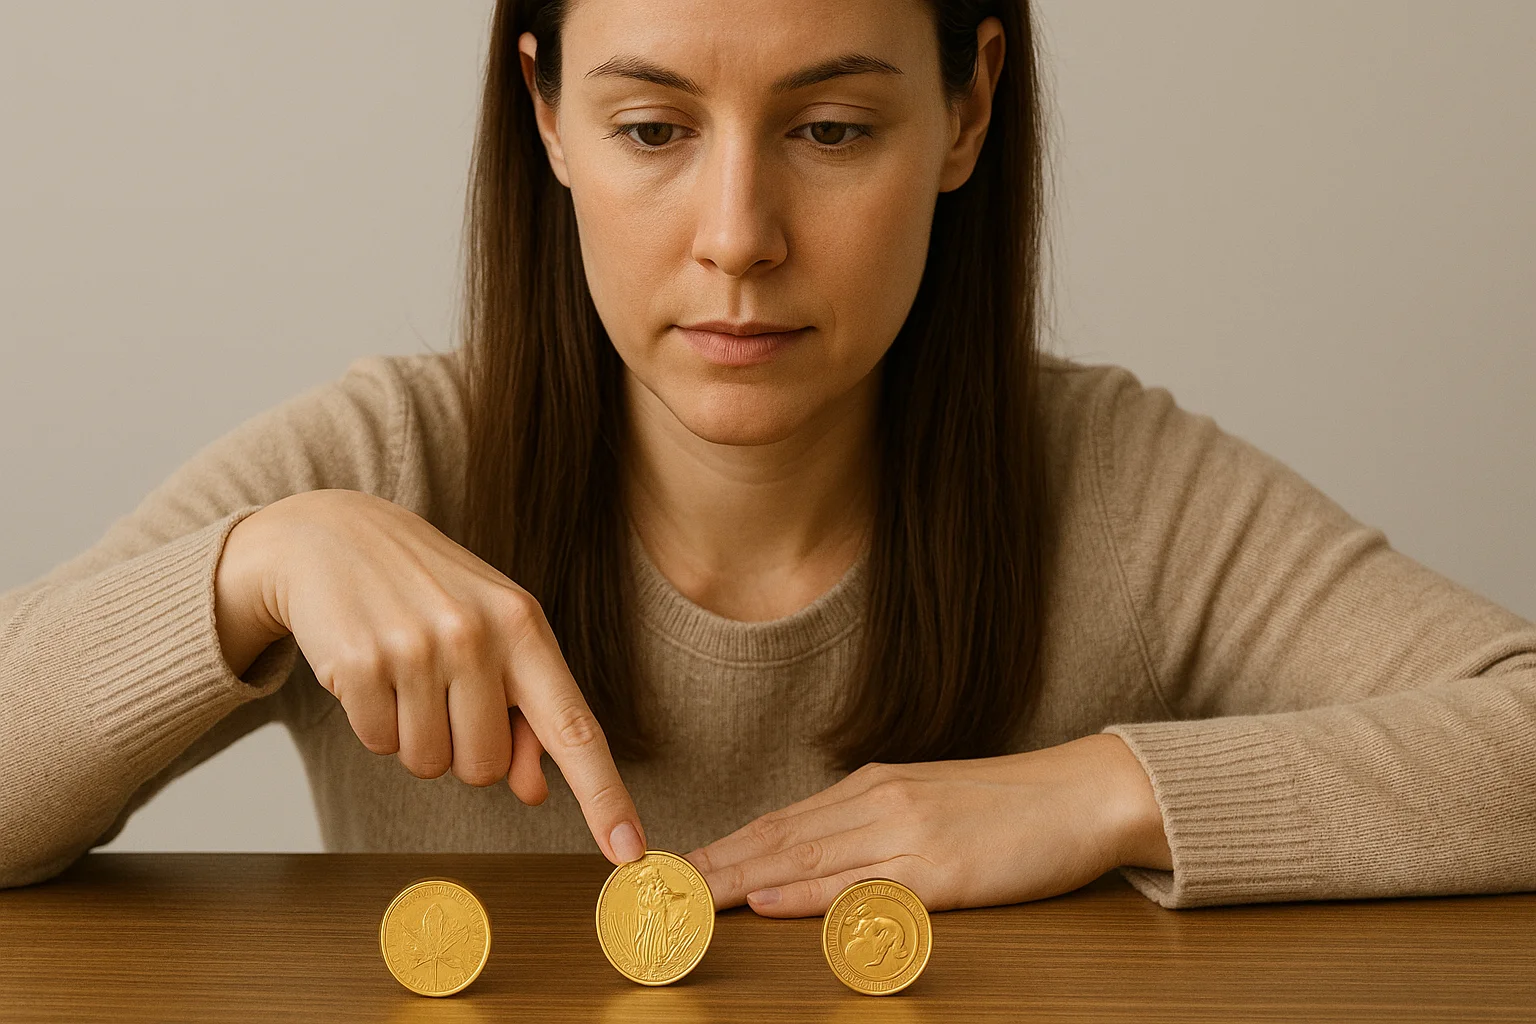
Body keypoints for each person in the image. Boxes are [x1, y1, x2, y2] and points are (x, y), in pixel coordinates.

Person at [2, 0, 1532, 917]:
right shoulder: (387, 455)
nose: (739, 237)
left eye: (832, 130)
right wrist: (247, 569)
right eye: (655, 129)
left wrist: (1104, 792)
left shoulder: (1121, 481)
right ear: (543, 111)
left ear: (967, 107)